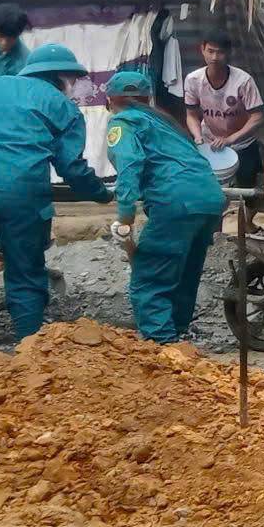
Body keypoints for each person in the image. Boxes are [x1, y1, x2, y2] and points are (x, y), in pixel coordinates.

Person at [0, 42, 110, 377]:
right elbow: (71, 167)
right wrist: (101, 194)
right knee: (25, 272)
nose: (72, 85)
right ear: (61, 77)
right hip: (23, 190)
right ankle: (27, 361)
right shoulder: (65, 108)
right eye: (71, 78)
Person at [105, 68, 228, 343]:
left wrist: (125, 216)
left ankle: (162, 345)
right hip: (209, 199)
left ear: (110, 101)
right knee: (185, 273)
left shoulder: (123, 123)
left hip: (175, 202)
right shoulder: (167, 124)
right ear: (148, 98)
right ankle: (178, 336)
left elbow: (129, 164)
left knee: (150, 278)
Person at [182, 33, 264, 188]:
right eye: (210, 51)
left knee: (246, 189)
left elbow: (257, 117)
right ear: (202, 49)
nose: (214, 57)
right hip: (209, 144)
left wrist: (230, 139)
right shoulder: (193, 80)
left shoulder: (243, 81)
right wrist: (198, 138)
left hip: (242, 143)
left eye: (220, 52)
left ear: (229, 53)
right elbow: (191, 115)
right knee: (210, 187)